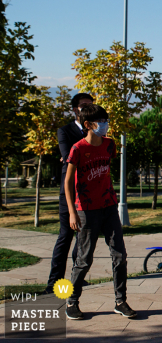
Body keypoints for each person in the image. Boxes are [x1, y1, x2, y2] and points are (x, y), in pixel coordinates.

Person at [64, 104, 136, 320]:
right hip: (86, 210)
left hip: (109, 207)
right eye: (101, 122)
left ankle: (120, 301)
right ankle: (71, 301)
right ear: (88, 125)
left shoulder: (109, 145)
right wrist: (72, 212)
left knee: (120, 256)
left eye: (106, 121)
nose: (105, 125)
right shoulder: (77, 149)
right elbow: (68, 182)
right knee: (84, 259)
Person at [44, 93, 93, 295]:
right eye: (83, 106)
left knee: (83, 240)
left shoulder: (95, 131)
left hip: (89, 193)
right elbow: (68, 157)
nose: (87, 109)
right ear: (75, 109)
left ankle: (77, 278)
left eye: (91, 105)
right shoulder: (65, 131)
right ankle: (53, 282)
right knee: (65, 237)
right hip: (70, 192)